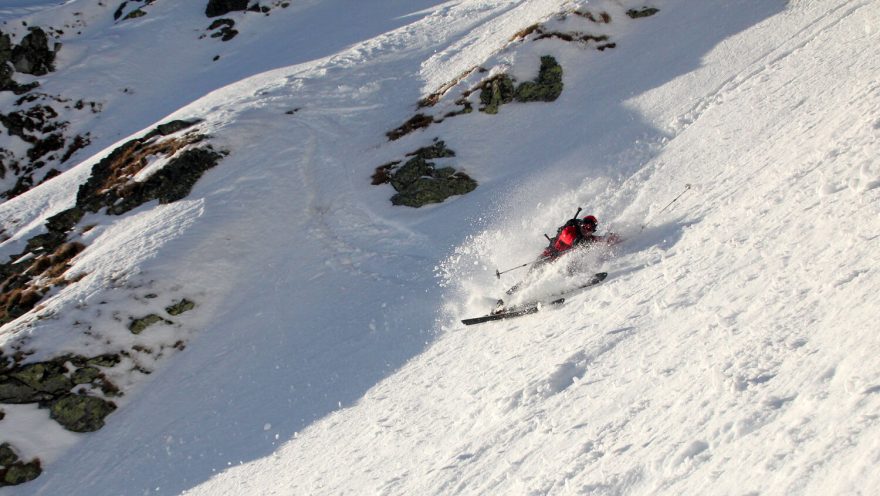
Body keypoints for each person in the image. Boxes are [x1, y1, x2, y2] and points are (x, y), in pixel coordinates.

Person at [494, 214, 618, 312]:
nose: (588, 230)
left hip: (558, 265)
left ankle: (557, 288)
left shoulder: (586, 237)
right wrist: (589, 242)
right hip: (545, 260)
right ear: (582, 224)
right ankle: (504, 302)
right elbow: (574, 242)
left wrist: (608, 239)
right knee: (529, 281)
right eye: (586, 227)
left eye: (591, 229)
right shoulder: (569, 230)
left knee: (569, 268)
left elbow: (596, 240)